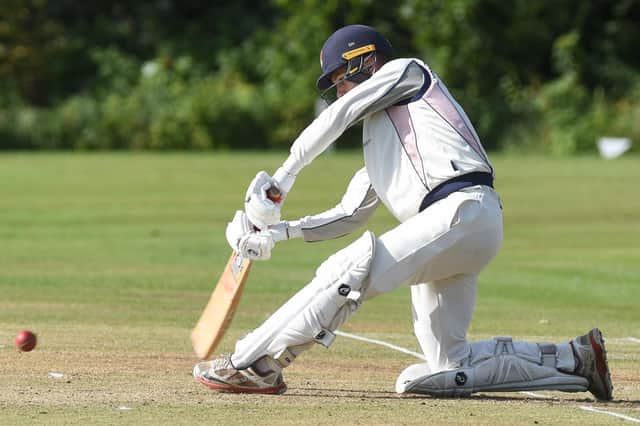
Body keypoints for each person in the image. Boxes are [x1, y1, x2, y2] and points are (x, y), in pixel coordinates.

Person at [193, 24, 613, 400]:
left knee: (349, 268)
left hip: (460, 210)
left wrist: (280, 180)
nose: (340, 91)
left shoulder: (408, 72)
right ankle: (574, 360)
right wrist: (278, 233)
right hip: (460, 229)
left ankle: (255, 363)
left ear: (367, 61)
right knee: (444, 368)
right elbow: (350, 214)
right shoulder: (380, 141)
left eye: (341, 78)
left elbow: (339, 115)